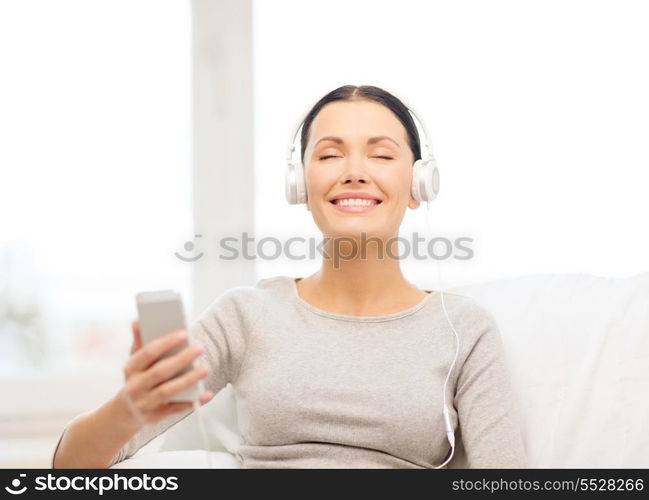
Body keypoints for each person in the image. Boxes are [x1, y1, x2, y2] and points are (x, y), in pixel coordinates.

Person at [52, 84, 527, 469]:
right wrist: (130, 409)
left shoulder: (463, 330)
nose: (355, 172)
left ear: (420, 185)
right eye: (329, 155)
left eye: (381, 155)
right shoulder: (246, 316)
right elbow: (66, 471)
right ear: (299, 185)